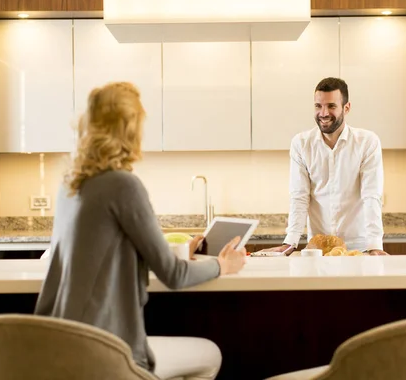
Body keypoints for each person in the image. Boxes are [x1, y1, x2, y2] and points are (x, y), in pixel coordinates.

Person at [34, 81, 247, 379]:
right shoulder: (123, 184)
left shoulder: (70, 185)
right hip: (103, 352)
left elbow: (104, 250)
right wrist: (222, 265)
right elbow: (173, 275)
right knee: (210, 354)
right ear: (131, 129)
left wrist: (180, 250)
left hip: (58, 343)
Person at [264, 77, 387, 256]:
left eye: (331, 106)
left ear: (347, 108)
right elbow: (299, 196)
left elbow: (371, 196)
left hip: (357, 247)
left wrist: (375, 245)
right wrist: (290, 242)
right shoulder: (301, 144)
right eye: (318, 106)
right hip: (318, 249)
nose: (323, 113)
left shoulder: (367, 142)